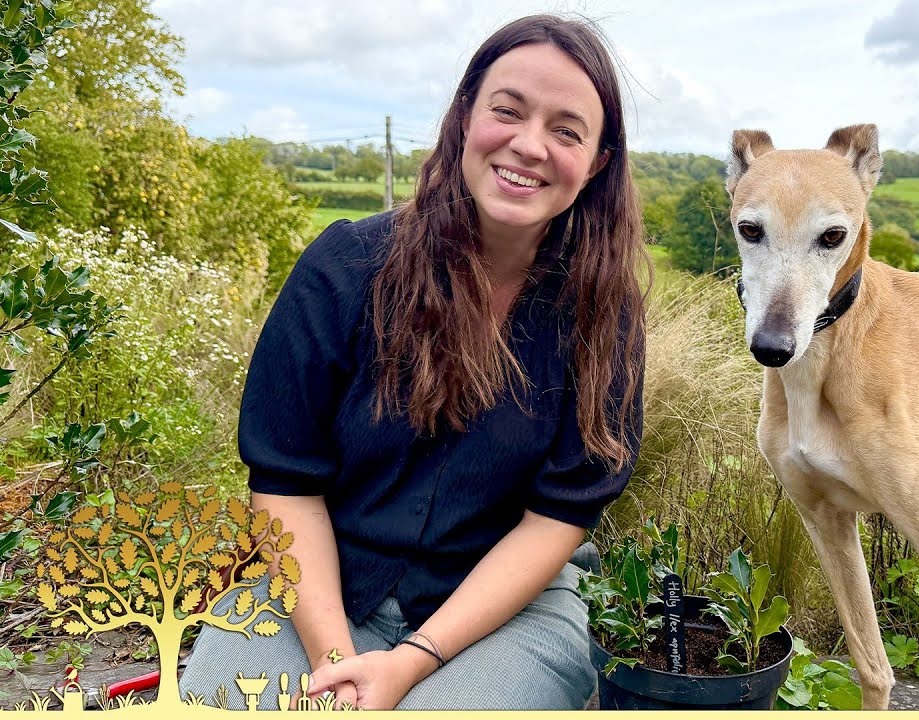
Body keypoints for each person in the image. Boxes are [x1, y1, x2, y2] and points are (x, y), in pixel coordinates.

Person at [178, 14, 646, 710]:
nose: (529, 145)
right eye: (507, 111)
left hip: (508, 609)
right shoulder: (344, 269)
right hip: (318, 585)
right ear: (465, 116)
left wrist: (412, 662)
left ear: (599, 162)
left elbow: (557, 517)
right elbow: (285, 482)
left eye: (566, 131)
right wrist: (336, 664)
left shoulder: (604, 314)